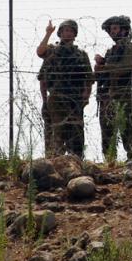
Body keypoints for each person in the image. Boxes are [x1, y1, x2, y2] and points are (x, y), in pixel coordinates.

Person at [36, 19, 93, 158]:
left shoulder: (81, 55)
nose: (67, 33)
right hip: (56, 97)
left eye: (71, 31)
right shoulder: (52, 51)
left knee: (76, 131)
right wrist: (48, 33)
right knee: (57, 130)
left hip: (75, 98)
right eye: (65, 31)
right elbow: (40, 52)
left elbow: (89, 79)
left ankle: (76, 160)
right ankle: (56, 159)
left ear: (75, 34)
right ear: (60, 33)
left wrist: (86, 96)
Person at [94, 15, 132, 160]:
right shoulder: (111, 51)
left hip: (123, 94)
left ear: (124, 30)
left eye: (116, 28)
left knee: (127, 129)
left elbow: (125, 67)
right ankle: (110, 161)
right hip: (107, 96)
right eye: (111, 29)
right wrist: (100, 66)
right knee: (107, 131)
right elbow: (101, 76)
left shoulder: (130, 48)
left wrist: (104, 67)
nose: (112, 32)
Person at [37, 57, 53, 157]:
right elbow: (42, 82)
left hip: (69, 100)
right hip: (51, 101)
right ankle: (50, 156)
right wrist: (45, 100)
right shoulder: (49, 62)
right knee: (49, 131)